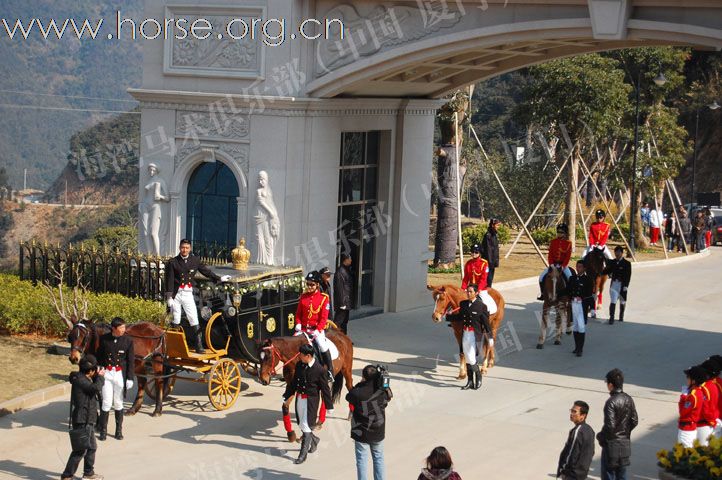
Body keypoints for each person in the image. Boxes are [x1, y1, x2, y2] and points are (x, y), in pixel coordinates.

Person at [165, 238, 231, 353]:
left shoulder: (195, 260)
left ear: (190, 249)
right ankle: (174, 345)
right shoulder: (173, 262)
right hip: (176, 294)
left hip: (188, 293)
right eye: (182, 248)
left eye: (186, 248)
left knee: (193, 318)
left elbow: (206, 272)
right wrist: (169, 297)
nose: (184, 250)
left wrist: (219, 278)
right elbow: (169, 280)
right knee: (176, 318)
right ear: (179, 248)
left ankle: (199, 346)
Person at [282, 344, 333, 464]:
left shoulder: (320, 370)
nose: (298, 356)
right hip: (300, 399)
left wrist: (329, 406)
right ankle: (314, 441)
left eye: (301, 354)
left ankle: (302, 455)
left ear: (308, 356)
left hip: (311, 402)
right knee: (302, 424)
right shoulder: (299, 365)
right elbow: (294, 383)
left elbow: (325, 389)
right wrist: (287, 395)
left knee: (306, 426)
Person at [61, 355, 105, 480]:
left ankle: (88, 473)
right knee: (80, 450)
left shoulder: (83, 378)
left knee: (91, 447)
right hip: (82, 419)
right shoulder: (81, 380)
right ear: (90, 371)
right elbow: (95, 388)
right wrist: (101, 376)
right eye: (94, 370)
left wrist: (97, 376)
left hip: (88, 419)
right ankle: (67, 476)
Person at [346, 365, 393, 480]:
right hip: (378, 431)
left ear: (363, 377)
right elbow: (389, 397)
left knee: (362, 460)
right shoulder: (381, 391)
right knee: (379, 459)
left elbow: (349, 396)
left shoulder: (358, 392)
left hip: (361, 433)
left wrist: (361, 383)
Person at [96, 317, 134, 441]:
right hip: (107, 373)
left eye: (124, 327)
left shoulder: (128, 341)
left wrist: (130, 378)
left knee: (118, 402)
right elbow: (100, 356)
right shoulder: (104, 339)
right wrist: (99, 368)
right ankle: (103, 430)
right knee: (106, 402)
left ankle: (118, 431)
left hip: (119, 374)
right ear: (114, 328)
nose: (124, 329)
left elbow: (130, 361)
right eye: (121, 327)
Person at [597, 368, 638, 480]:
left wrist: (600, 436)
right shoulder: (629, 399)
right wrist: (624, 433)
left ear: (611, 385)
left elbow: (610, 426)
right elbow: (634, 420)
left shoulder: (611, 402)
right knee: (622, 475)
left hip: (611, 445)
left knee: (609, 475)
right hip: (624, 443)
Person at [295, 271, 334, 381]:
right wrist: (298, 323)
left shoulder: (323, 298)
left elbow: (323, 318)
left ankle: (330, 370)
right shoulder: (303, 297)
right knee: (292, 343)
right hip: (303, 329)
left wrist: (318, 330)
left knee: (322, 345)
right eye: (308, 284)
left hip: (316, 330)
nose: (309, 287)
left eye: (312, 284)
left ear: (317, 285)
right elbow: (298, 314)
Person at [458, 284, 491, 390]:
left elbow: (486, 323)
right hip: (465, 334)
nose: (468, 293)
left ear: (476, 293)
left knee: (471, 358)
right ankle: (470, 382)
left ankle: (479, 378)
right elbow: (459, 317)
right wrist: (447, 315)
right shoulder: (463, 304)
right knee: (467, 358)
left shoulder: (481, 306)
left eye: (470, 291)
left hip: (474, 335)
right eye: (467, 291)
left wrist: (490, 337)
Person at [557, 401, 595, 480]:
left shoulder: (578, 431)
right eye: (571, 411)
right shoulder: (589, 430)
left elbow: (571, 454)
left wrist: (563, 470)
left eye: (574, 412)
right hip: (581, 474)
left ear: (583, 415)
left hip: (572, 475)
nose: (571, 414)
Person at [565, 261, 594, 357]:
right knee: (576, 327)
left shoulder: (588, 280)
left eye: (580, 267)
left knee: (581, 327)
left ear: (584, 268)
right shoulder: (572, 278)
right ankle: (577, 347)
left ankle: (580, 349)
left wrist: (593, 308)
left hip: (582, 306)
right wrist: (558, 294)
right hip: (574, 305)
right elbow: (568, 291)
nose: (578, 268)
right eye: (577, 267)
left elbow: (590, 296)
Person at [538, 224, 573, 301]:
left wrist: (563, 266)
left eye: (561, 232)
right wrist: (551, 265)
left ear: (565, 233)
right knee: (541, 277)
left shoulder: (568, 243)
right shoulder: (553, 242)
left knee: (570, 278)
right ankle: (543, 294)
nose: (559, 233)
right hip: (553, 264)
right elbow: (550, 255)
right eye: (558, 232)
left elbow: (567, 257)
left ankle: (570, 295)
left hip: (563, 265)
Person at [461, 244, 497, 315]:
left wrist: (478, 290)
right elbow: (466, 278)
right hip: (470, 288)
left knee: (488, 307)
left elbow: (483, 279)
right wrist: (462, 288)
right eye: (472, 251)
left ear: (480, 253)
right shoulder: (468, 263)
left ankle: (486, 320)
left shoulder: (484, 263)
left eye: (476, 252)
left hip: (481, 289)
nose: (474, 253)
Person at [602, 246, 631, 325]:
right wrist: (600, 272)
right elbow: (607, 270)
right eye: (616, 252)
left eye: (619, 252)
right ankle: (611, 317)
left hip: (622, 285)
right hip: (614, 284)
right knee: (613, 301)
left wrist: (626, 285)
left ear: (622, 253)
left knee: (622, 301)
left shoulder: (627, 264)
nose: (617, 254)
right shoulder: (613, 262)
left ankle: (621, 316)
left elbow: (628, 276)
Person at [678, 366, 705, 447]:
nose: (687, 379)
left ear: (694, 381)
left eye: (688, 377)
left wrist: (683, 397)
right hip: (690, 427)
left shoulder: (692, 396)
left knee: (685, 454)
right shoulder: (697, 392)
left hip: (687, 429)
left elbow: (682, 412)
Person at [697, 360, 720, 445]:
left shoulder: (704, 387)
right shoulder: (715, 384)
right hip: (714, 419)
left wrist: (712, 421)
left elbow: (705, 408)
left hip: (706, 423)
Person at [333, 254, 353, 334]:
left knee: (345, 321)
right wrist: (342, 303)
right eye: (350, 258)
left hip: (346, 301)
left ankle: (344, 338)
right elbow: (339, 288)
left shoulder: (346, 270)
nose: (351, 260)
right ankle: (333, 337)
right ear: (346, 259)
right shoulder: (340, 272)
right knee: (338, 322)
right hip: (343, 302)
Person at [480, 218, 501, 287]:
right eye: (497, 225)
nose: (498, 227)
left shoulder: (494, 234)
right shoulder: (488, 235)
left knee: (490, 279)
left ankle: (488, 290)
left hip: (492, 261)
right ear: (492, 225)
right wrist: (490, 263)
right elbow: (488, 250)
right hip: (488, 262)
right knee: (487, 279)